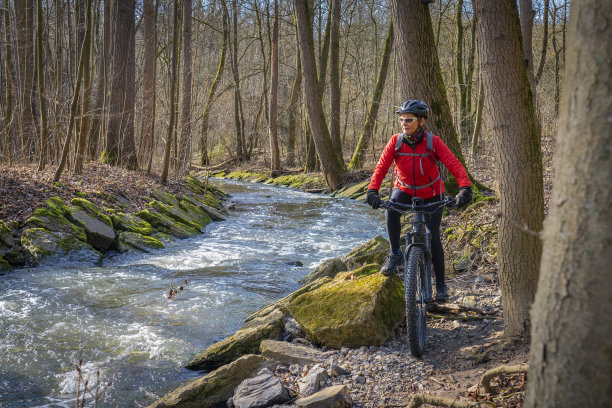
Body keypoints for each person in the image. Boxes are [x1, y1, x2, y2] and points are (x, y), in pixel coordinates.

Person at [366, 100, 472, 301]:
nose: (404, 123)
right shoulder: (396, 142)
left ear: (422, 121)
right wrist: (373, 190)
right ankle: (395, 253)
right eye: (401, 120)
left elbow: (454, 164)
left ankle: (440, 284)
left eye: (409, 120)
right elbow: (381, 167)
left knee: (433, 237)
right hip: (404, 189)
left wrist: (464, 187)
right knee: (391, 211)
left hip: (432, 192)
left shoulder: (433, 142)